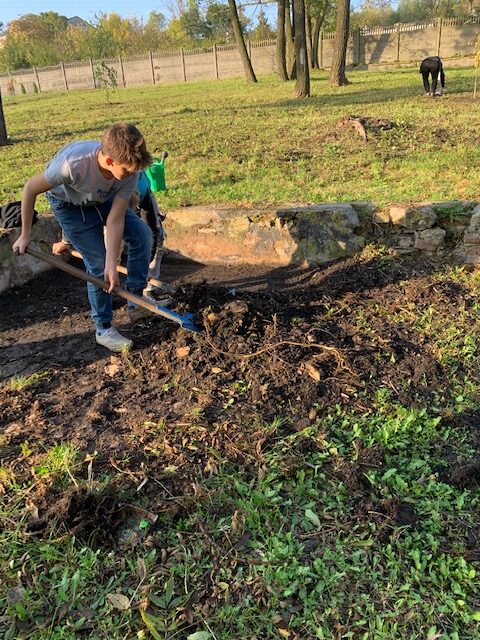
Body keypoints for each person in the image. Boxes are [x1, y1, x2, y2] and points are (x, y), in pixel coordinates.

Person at [12, 122, 153, 353]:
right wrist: (25, 234)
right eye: (127, 171)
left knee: (142, 235)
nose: (132, 174)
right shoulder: (72, 164)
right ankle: (103, 328)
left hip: (102, 199)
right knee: (97, 265)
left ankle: (136, 300)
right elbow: (30, 188)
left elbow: (115, 219)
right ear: (109, 161)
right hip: (69, 206)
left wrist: (112, 264)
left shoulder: (130, 170)